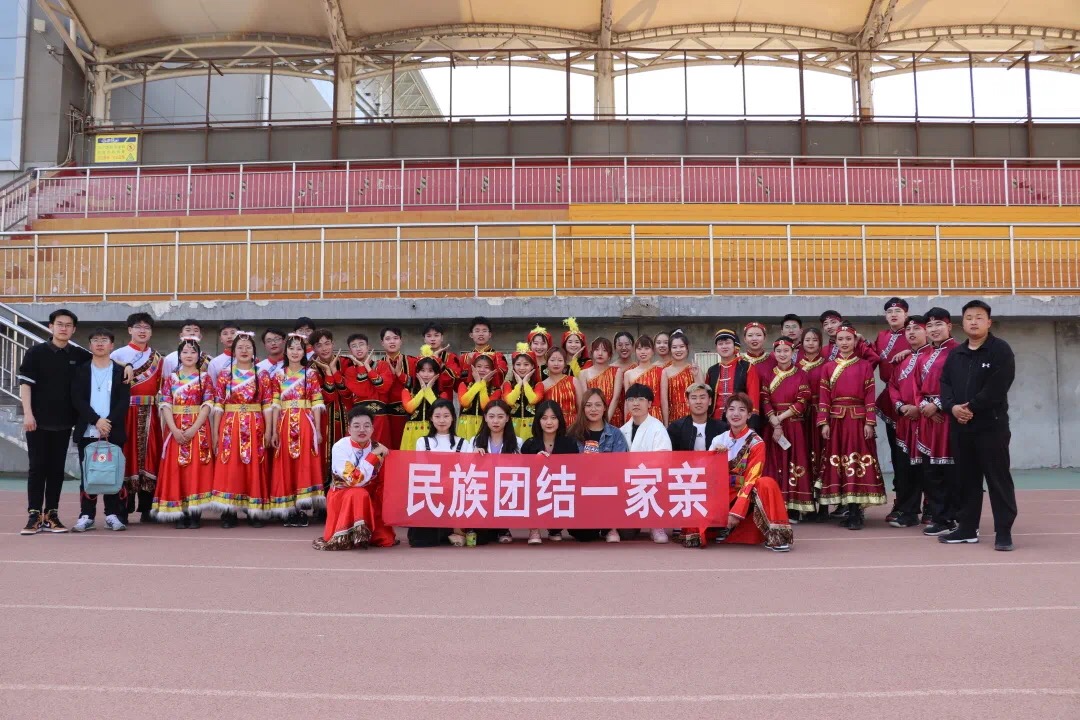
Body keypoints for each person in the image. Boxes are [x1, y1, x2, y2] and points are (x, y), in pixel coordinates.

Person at [940, 300, 1017, 550]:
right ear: (962, 323)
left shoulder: (1000, 350)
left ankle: (1003, 531)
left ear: (989, 322)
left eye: (979, 317)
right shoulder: (956, 354)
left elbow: (998, 387)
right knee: (965, 480)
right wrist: (952, 407)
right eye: (969, 318)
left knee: (998, 479)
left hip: (991, 427)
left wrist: (970, 407)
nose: (973, 322)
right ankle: (966, 528)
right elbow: (945, 384)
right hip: (961, 427)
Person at [18, 309, 92, 534]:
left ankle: (51, 514)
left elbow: (104, 361)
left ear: (74, 329)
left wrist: (126, 366)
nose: (63, 328)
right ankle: (33, 516)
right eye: (59, 324)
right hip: (37, 422)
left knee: (57, 470)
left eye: (68, 325)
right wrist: (28, 414)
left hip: (64, 423)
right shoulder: (35, 353)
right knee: (37, 468)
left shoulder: (79, 355)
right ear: (51, 326)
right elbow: (26, 385)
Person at [700, 393, 793, 552]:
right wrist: (716, 457)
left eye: (742, 410)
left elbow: (752, 478)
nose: (736, 414)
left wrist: (737, 511)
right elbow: (708, 475)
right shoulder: (718, 440)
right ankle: (721, 527)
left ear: (749, 415)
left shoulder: (757, 443)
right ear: (726, 413)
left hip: (746, 494)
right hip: (722, 492)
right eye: (731, 409)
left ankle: (775, 535)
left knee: (766, 483)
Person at [816, 324, 886, 530]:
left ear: (855, 341)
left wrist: (869, 422)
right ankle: (847, 508)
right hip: (836, 421)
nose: (844, 342)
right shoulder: (828, 367)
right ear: (835, 342)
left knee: (857, 463)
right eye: (841, 339)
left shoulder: (864, 365)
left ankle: (856, 512)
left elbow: (870, 395)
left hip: (858, 421)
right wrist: (824, 422)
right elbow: (823, 396)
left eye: (848, 339)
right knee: (839, 463)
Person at [209, 332, 274, 528]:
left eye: (248, 347)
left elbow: (267, 404)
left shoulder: (262, 374)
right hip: (230, 425)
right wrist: (215, 433)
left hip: (255, 425)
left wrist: (269, 431)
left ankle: (254, 510)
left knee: (254, 466)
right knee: (230, 466)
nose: (244, 351)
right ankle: (229, 511)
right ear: (233, 351)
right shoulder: (225, 374)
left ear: (254, 350)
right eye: (240, 347)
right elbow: (218, 405)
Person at [71, 328, 131, 532]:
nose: (99, 343)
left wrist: (108, 422)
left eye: (104, 340)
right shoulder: (81, 369)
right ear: (90, 345)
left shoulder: (121, 371)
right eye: (95, 340)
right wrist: (96, 420)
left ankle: (112, 515)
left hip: (113, 431)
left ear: (111, 346)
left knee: (113, 473)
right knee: (89, 473)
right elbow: (77, 399)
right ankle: (86, 515)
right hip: (88, 430)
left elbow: (123, 402)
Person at [153, 336, 214, 529]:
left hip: (199, 427)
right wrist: (173, 429)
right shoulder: (171, 378)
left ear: (199, 356)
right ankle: (178, 512)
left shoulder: (205, 378)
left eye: (193, 352)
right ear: (179, 355)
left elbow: (208, 404)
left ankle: (195, 512)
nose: (189, 355)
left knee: (196, 468)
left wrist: (195, 428)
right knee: (176, 468)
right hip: (175, 426)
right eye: (185, 352)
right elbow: (165, 404)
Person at [313, 406, 392, 551]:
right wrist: (373, 456)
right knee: (358, 493)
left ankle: (370, 531)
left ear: (372, 429)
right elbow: (354, 480)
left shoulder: (376, 446)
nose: (362, 430)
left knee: (386, 540)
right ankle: (352, 534)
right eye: (356, 426)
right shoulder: (340, 447)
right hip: (342, 494)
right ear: (349, 429)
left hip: (369, 495)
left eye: (366, 426)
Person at [110, 312, 164, 523]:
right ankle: (122, 508)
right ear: (129, 330)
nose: (142, 331)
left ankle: (148, 508)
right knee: (126, 456)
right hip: (125, 412)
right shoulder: (118, 355)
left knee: (151, 457)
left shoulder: (158, 358)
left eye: (146, 327)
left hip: (151, 413)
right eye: (138, 327)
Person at [269, 334, 326, 527]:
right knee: (285, 463)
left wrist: (317, 430)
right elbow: (275, 404)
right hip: (284, 422)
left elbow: (317, 403)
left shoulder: (310, 374)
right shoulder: (278, 375)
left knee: (304, 462)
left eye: (299, 349)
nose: (295, 352)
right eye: (291, 348)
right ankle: (288, 508)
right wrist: (274, 431)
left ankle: (301, 506)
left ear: (304, 352)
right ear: (286, 351)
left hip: (305, 422)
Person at [915, 307, 962, 537]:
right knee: (931, 472)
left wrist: (939, 405)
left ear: (949, 326)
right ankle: (939, 517)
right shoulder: (923, 356)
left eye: (939, 324)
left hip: (949, 419)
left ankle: (955, 517)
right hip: (928, 421)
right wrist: (924, 406)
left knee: (951, 471)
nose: (934, 329)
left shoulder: (959, 352)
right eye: (930, 326)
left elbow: (961, 385)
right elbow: (916, 387)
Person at [667, 383, 726, 548]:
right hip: (685, 477)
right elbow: (670, 458)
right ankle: (681, 520)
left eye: (702, 397)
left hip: (712, 476)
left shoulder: (722, 428)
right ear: (687, 401)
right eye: (693, 398)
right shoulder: (676, 427)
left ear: (710, 401)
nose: (698, 402)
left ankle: (719, 523)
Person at [568, 387, 630, 543]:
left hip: (608, 487)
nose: (593, 409)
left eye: (597, 405)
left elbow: (621, 465)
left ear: (604, 408)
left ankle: (611, 526)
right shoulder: (573, 433)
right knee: (583, 535)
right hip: (582, 490)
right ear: (583, 409)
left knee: (628, 532)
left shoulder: (615, 434)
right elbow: (566, 466)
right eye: (588, 405)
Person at [762, 338, 813, 520]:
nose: (782, 354)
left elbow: (802, 401)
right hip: (772, 426)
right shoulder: (768, 374)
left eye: (786, 351)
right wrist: (774, 421)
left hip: (793, 425)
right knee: (774, 463)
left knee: (795, 462)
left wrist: (780, 418)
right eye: (779, 351)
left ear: (793, 353)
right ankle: (775, 506)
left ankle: (794, 508)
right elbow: (764, 399)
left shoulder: (801, 374)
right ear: (774, 353)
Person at [886, 316, 930, 528]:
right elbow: (893, 386)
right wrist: (901, 407)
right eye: (908, 329)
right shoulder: (901, 360)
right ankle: (909, 511)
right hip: (904, 421)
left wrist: (919, 408)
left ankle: (933, 510)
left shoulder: (934, 357)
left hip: (929, 421)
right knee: (905, 468)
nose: (911, 332)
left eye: (916, 328)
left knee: (929, 468)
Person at [411, 399, 472, 548]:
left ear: (453, 418)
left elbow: (465, 471)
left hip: (454, 489)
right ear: (431, 418)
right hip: (430, 489)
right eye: (437, 416)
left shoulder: (463, 443)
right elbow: (421, 470)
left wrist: (449, 481)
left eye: (446, 416)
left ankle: (457, 530)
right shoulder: (422, 441)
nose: (442, 420)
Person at [874, 298, 914, 524]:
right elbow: (870, 358)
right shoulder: (881, 337)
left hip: (914, 399)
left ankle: (929, 504)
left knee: (918, 456)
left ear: (906, 314)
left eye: (898, 311)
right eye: (889, 311)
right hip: (891, 399)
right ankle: (901, 501)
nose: (894, 314)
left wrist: (910, 351)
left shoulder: (914, 333)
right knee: (898, 455)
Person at [620, 383, 673, 544]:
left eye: (641, 399)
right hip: (629, 485)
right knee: (626, 534)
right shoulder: (622, 430)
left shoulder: (657, 428)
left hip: (652, 480)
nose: (635, 403)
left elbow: (664, 458)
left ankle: (656, 525)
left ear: (650, 403)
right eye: (631, 399)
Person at [520, 400, 578, 545]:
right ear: (538, 421)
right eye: (544, 418)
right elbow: (522, 474)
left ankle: (555, 528)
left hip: (560, 488)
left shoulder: (570, 443)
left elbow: (575, 472)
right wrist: (535, 462)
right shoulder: (529, 444)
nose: (549, 422)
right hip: (537, 489)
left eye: (553, 418)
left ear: (559, 420)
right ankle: (534, 528)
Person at [471, 400, 521, 545]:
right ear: (485, 418)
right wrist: (473, 456)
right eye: (491, 416)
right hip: (482, 487)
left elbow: (519, 470)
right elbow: (466, 469)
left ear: (507, 418)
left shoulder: (517, 442)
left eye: (500, 416)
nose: (495, 421)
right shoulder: (474, 441)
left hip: (505, 487)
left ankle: (503, 527)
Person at [310, 329, 350, 486]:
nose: (324, 348)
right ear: (314, 348)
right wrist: (328, 372)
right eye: (319, 345)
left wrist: (334, 371)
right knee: (322, 456)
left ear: (333, 344)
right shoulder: (310, 369)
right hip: (323, 419)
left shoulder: (346, 362)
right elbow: (328, 397)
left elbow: (347, 392)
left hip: (347, 415)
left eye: (327, 343)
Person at [797, 327, 829, 521]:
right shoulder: (794, 364)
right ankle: (806, 507)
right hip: (800, 418)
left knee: (821, 457)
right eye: (807, 340)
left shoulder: (827, 364)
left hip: (820, 416)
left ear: (820, 343)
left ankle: (824, 506)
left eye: (814, 340)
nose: (810, 343)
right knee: (803, 459)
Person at [341, 333, 391, 446]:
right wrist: (362, 368)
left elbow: (384, 388)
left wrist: (368, 369)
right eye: (354, 346)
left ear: (368, 347)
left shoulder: (382, 365)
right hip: (359, 419)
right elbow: (363, 391)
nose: (358, 348)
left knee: (380, 450)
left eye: (361, 344)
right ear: (350, 351)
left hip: (380, 417)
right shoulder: (350, 371)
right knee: (357, 449)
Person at [704, 329, 760, 429]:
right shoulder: (712, 370)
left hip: (740, 420)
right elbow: (707, 397)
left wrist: (751, 424)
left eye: (728, 343)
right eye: (720, 344)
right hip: (714, 421)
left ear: (735, 346)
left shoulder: (747, 367)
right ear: (716, 347)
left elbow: (753, 397)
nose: (724, 346)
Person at [400, 350, 448, 451]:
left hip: (434, 433)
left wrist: (428, 390)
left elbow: (440, 409)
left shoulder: (442, 394)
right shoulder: (407, 391)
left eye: (430, 371)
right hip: (412, 433)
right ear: (417, 372)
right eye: (422, 370)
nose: (426, 374)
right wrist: (423, 390)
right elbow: (410, 408)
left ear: (436, 374)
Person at [373, 326, 411, 450]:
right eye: (388, 339)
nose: (392, 341)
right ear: (382, 343)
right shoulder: (376, 365)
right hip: (384, 416)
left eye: (395, 338)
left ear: (401, 341)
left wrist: (400, 374)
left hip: (407, 414)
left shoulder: (412, 361)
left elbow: (417, 385)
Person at [660, 329, 703, 425]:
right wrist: (666, 425)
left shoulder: (695, 369)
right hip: (673, 419)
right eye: (674, 347)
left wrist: (696, 375)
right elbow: (664, 401)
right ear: (670, 350)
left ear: (687, 348)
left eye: (682, 346)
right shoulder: (665, 372)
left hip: (694, 417)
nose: (678, 350)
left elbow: (702, 394)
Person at [503, 343, 544, 441]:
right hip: (512, 426)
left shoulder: (538, 385)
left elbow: (533, 400)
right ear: (513, 366)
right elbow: (510, 401)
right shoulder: (508, 384)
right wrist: (518, 384)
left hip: (532, 426)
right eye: (518, 364)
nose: (522, 368)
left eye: (526, 364)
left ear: (532, 366)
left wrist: (525, 382)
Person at [578, 337, 623, 425]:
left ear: (610, 354)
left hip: (613, 415)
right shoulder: (583, 373)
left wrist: (606, 421)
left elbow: (616, 398)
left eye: (604, 350)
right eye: (597, 350)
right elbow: (585, 400)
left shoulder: (616, 371)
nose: (600, 353)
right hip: (592, 416)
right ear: (592, 353)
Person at [457, 353, 501, 440]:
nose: (482, 370)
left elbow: (486, 407)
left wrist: (483, 383)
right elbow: (465, 403)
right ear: (473, 368)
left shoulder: (497, 390)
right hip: (465, 427)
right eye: (479, 366)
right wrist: (477, 383)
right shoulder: (463, 385)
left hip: (485, 426)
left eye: (487, 367)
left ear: (492, 370)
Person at [622, 337, 663, 422]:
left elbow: (664, 401)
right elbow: (627, 401)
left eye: (646, 348)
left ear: (653, 351)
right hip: (634, 415)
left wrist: (665, 424)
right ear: (635, 351)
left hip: (654, 414)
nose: (643, 352)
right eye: (639, 349)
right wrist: (626, 422)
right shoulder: (628, 374)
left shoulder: (661, 372)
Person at [460, 316, 508, 387]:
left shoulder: (498, 356)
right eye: (477, 331)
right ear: (471, 335)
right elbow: (459, 383)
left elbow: (500, 379)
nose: (481, 334)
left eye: (484, 331)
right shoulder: (464, 357)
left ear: (490, 335)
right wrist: (468, 364)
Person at [421, 321, 462, 398]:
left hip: (444, 400)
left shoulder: (451, 357)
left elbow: (450, 381)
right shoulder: (419, 359)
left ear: (442, 338)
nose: (433, 339)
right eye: (429, 336)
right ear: (424, 339)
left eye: (436, 335)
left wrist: (437, 360)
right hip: (424, 400)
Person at [540, 347, 579, 425]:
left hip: (573, 425)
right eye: (552, 360)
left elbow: (581, 407)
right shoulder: (542, 385)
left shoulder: (574, 381)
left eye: (560, 360)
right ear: (547, 363)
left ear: (565, 363)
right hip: (552, 425)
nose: (556, 364)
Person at [610, 331, 636, 427]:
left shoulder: (638, 368)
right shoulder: (610, 369)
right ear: (615, 347)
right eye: (620, 345)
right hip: (613, 414)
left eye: (627, 344)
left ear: (633, 347)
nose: (624, 348)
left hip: (633, 413)